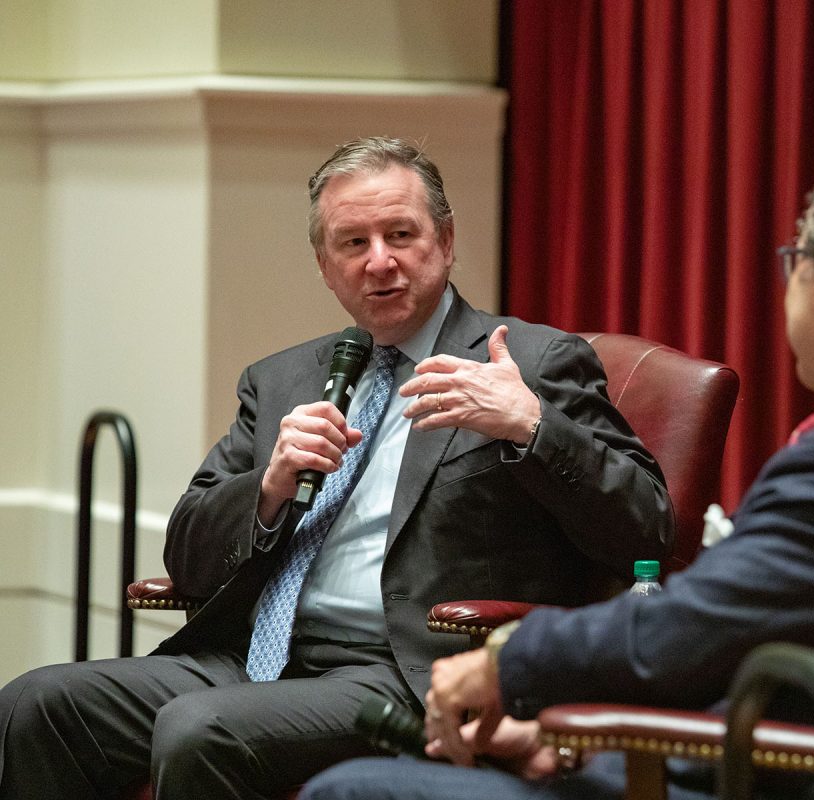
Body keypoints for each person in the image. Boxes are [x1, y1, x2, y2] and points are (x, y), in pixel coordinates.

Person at [298, 133, 814, 800]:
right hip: (726, 748)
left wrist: (504, 663)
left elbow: (691, 630)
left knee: (352, 791)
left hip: (753, 774)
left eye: (796, 259)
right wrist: (568, 741)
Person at [0, 137, 673, 799]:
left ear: (445, 240)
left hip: (406, 671)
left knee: (199, 729)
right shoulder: (282, 379)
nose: (380, 262)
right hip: (252, 658)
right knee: (36, 705)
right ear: (325, 265)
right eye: (354, 243)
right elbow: (188, 553)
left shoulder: (528, 362)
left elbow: (647, 530)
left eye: (401, 235)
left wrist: (530, 427)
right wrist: (268, 488)